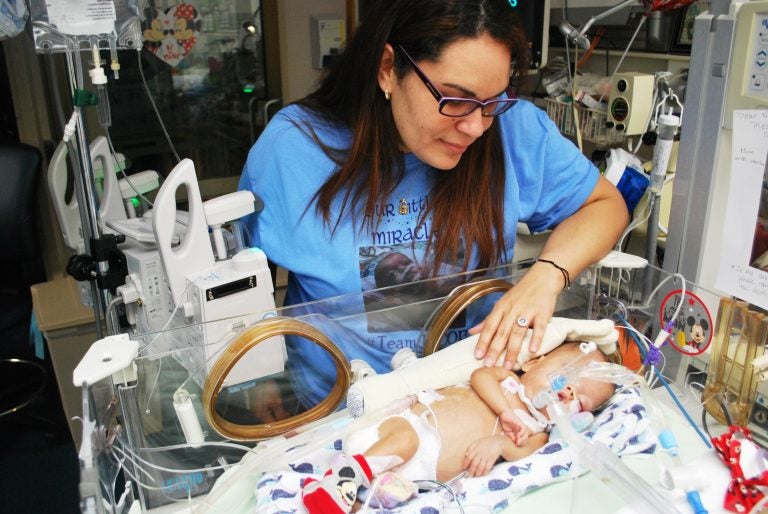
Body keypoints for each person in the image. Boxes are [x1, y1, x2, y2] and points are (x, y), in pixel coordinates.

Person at [238, 0, 628, 408]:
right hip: (335, 413)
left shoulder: (515, 131)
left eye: (492, 101)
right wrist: (257, 377)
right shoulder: (293, 150)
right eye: (455, 99)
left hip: (476, 403)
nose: (476, 127)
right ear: (388, 68)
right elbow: (241, 276)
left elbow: (605, 205)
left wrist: (545, 277)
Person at [300, 342, 617, 513]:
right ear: (534, 363)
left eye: (583, 400)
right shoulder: (507, 383)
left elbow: (522, 453)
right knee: (405, 440)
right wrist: (506, 411)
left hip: (420, 474)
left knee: (393, 490)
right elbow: (480, 377)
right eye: (566, 374)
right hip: (405, 428)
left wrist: (500, 446)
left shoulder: (537, 431)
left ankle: (349, 500)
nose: (569, 391)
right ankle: (347, 475)